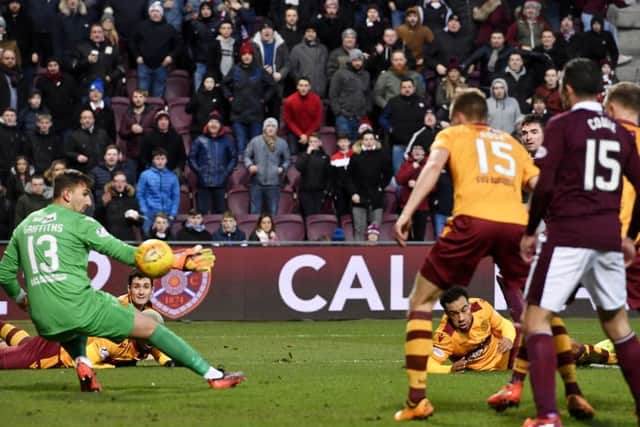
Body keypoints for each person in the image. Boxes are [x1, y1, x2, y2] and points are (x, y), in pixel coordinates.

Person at [392, 88, 539, 421]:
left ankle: (418, 400)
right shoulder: (512, 144)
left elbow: (431, 168)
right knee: (532, 311)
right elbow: (541, 186)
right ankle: (517, 384)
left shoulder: (452, 133)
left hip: (471, 221)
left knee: (420, 301)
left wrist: (406, 214)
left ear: (458, 116)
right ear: (485, 117)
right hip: (516, 223)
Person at [520, 59, 640, 427]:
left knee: (535, 319)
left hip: (568, 235)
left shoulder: (561, 125)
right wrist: (630, 236)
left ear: (566, 89)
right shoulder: (620, 133)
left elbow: (546, 185)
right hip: (607, 236)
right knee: (618, 325)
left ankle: (547, 415)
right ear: (599, 92)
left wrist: (530, 229)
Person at [0, 269, 175, 369]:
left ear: (152, 290)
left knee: (26, 343)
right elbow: (88, 358)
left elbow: (153, 345)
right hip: (61, 351)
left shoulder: (148, 314)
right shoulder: (119, 317)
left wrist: (168, 361)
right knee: (14, 358)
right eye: (137, 287)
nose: (141, 291)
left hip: (67, 336)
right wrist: (111, 367)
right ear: (129, 288)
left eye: (146, 287)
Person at [428, 287, 515, 374]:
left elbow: (504, 324)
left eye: (464, 310)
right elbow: (428, 365)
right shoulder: (445, 335)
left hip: (505, 356)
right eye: (454, 314)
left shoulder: (481, 307)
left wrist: (508, 338)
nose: (461, 318)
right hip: (480, 372)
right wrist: (449, 369)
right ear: (447, 314)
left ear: (469, 306)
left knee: (520, 329)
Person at [346, 130, 393, 242]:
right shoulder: (355, 156)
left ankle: (374, 256)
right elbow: (348, 178)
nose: (368, 142)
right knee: (359, 229)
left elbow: (388, 173)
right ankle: (358, 254)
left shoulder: (382, 155)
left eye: (371, 139)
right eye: (366, 139)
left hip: (376, 197)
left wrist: (381, 187)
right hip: (359, 198)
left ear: (375, 141)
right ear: (362, 141)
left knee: (375, 230)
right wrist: (353, 193)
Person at [189, 111, 236, 214]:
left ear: (220, 125)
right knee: (202, 213)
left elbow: (233, 158)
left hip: (220, 182)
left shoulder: (227, 140)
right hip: (203, 182)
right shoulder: (199, 140)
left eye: (216, 122)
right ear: (207, 124)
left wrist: (226, 172)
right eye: (211, 121)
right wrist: (199, 170)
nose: (213, 124)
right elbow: (191, 157)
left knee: (220, 214)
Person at [130, 1, 181, 97]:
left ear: (161, 13)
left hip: (161, 66)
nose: (155, 13)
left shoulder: (169, 28)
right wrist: (137, 56)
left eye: (157, 11)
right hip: (144, 65)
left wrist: (171, 57)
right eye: (152, 11)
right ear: (149, 13)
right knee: (142, 95)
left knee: (158, 95)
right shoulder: (141, 26)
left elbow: (178, 45)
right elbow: (132, 42)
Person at [244, 117, 290, 216]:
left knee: (273, 212)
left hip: (274, 184)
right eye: (268, 126)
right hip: (256, 182)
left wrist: (282, 168)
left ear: (276, 129)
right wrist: (250, 165)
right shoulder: (255, 141)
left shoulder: (282, 143)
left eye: (273, 126)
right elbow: (246, 156)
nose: (271, 128)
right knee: (255, 212)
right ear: (264, 128)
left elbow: (287, 160)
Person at [329, 49, 371, 142]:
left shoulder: (366, 74)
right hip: (344, 116)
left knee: (358, 144)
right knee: (345, 144)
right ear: (350, 61)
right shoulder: (340, 73)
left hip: (359, 116)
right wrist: (338, 111)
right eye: (354, 60)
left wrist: (367, 110)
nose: (357, 63)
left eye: (359, 60)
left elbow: (367, 94)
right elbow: (333, 94)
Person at [136, 148, 180, 234]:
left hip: (167, 214)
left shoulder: (173, 177)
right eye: (157, 159)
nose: (160, 161)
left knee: (166, 241)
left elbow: (176, 197)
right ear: (153, 160)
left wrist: (173, 213)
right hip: (150, 214)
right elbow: (140, 194)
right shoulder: (145, 175)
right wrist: (144, 211)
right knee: (148, 239)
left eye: (162, 159)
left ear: (166, 160)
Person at [118, 89, 160, 168]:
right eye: (135, 97)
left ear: (145, 98)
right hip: (132, 155)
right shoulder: (127, 113)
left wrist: (142, 130)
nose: (138, 99)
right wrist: (131, 130)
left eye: (140, 97)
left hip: (149, 154)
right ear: (132, 99)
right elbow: (122, 133)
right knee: (131, 179)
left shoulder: (153, 112)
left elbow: (157, 131)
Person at [396, 142, 428, 242]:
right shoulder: (407, 164)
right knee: (405, 236)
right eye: (414, 148)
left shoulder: (429, 165)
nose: (416, 151)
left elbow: (434, 186)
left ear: (424, 152)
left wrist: (418, 185)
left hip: (422, 205)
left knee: (419, 236)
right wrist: (412, 168)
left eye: (419, 148)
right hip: (406, 205)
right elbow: (399, 180)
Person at [282, 77, 323, 156]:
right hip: (295, 132)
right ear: (297, 87)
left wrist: (307, 134)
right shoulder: (289, 101)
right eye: (301, 85)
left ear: (309, 87)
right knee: (293, 152)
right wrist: (301, 134)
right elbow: (288, 120)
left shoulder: (316, 99)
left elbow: (317, 121)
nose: (303, 88)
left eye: (306, 86)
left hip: (311, 132)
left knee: (314, 152)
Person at [288, 22, 329, 98]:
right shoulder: (297, 49)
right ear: (304, 33)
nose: (310, 34)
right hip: (303, 91)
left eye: (313, 32)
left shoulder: (323, 49)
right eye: (308, 31)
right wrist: (300, 82)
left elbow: (326, 69)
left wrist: (324, 83)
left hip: (320, 91)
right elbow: (292, 69)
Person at [99, 170, 142, 241]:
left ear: (126, 183)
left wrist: (136, 218)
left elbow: (140, 223)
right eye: (117, 181)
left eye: (123, 181)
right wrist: (103, 205)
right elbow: (98, 218)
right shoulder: (106, 197)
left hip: (128, 239)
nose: (120, 184)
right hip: (110, 238)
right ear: (112, 183)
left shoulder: (131, 199)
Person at [295, 133, 330, 217]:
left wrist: (326, 191)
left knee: (318, 216)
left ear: (320, 143)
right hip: (305, 191)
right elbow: (299, 167)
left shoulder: (325, 157)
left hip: (319, 192)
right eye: (311, 142)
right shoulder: (303, 155)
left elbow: (328, 175)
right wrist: (307, 154)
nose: (313, 144)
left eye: (315, 141)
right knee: (308, 216)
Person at [329, 133, 353, 222]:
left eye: (345, 141)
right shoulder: (334, 158)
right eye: (341, 141)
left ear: (349, 142)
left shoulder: (354, 155)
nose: (343, 143)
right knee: (341, 212)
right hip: (340, 189)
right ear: (337, 143)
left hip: (353, 189)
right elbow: (332, 175)